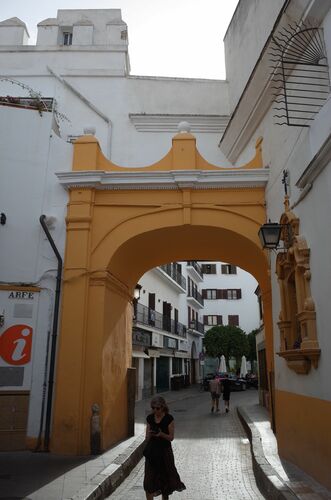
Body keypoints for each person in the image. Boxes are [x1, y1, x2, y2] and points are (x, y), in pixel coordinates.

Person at [143, 396, 186, 499]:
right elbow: (147, 437)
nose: (155, 410)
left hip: (164, 453)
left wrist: (161, 434)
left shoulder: (168, 419)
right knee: (148, 482)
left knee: (165, 481)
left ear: (163, 407)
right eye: (153, 408)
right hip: (152, 453)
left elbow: (171, 437)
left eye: (157, 408)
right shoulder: (150, 418)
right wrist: (149, 435)